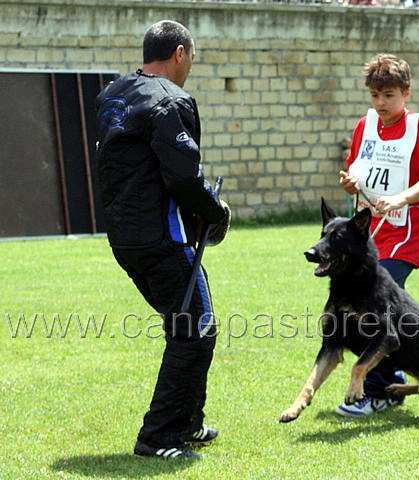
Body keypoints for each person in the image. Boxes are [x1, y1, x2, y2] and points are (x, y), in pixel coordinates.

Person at [95, 20, 230, 459]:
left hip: (125, 239)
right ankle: (159, 437)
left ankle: (187, 422)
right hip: (160, 237)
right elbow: (183, 176)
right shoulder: (170, 100)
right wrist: (216, 213)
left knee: (188, 326)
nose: (191, 65)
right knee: (195, 330)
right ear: (179, 53)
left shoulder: (114, 94)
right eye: (192, 56)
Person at [337, 53, 419, 417]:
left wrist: (399, 198)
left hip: (408, 230)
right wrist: (350, 185)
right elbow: (359, 179)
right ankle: (394, 381)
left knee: (373, 309)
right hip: (370, 234)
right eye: (375, 95)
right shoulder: (364, 127)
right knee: (385, 313)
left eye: (389, 95)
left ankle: (377, 392)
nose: (381, 103)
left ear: (406, 93)